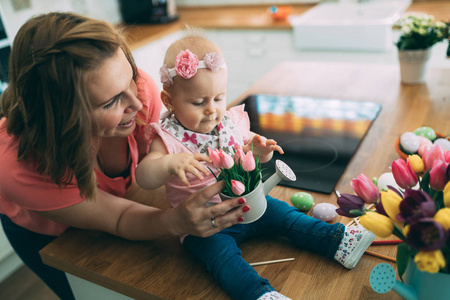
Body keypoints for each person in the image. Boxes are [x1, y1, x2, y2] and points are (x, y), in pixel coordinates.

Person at [0, 12, 248, 300]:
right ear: (66, 118)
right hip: (49, 233)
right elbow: (118, 217)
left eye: (129, 78)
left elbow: (146, 180)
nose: (137, 101)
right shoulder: (18, 167)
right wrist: (175, 221)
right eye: (110, 102)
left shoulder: (140, 92)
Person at [135, 32, 376, 300]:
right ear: (169, 101)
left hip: (249, 205)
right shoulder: (167, 137)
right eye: (198, 102)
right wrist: (168, 162)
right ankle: (260, 295)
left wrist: (261, 152)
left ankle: (338, 241)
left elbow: (253, 155)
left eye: (218, 98)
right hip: (205, 224)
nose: (212, 110)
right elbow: (144, 176)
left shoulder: (226, 121)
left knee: (287, 216)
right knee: (224, 259)